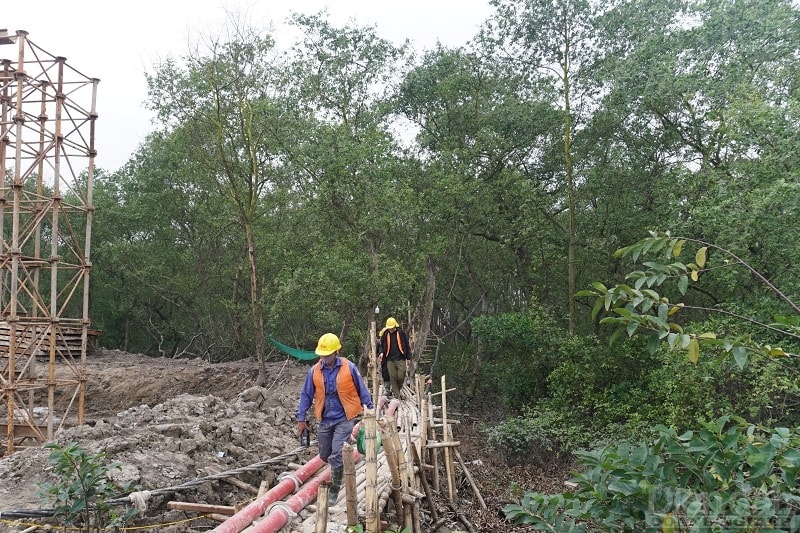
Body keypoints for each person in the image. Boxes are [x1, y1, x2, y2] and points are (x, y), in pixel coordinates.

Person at [296, 333, 373, 506]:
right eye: (322, 355)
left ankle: (334, 490)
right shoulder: (314, 371)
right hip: (325, 418)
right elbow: (306, 395)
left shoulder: (349, 367)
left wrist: (370, 409)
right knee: (325, 454)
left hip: (344, 417)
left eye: (327, 355)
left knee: (337, 453)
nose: (324, 358)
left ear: (336, 352)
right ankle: (342, 463)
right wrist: (301, 418)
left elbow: (362, 390)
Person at [378, 317, 411, 398]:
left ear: (395, 326)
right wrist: (381, 352)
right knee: (392, 377)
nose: (390, 330)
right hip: (389, 359)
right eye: (389, 328)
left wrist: (408, 357)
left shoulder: (401, 333)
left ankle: (396, 390)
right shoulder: (385, 334)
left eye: (392, 328)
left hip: (401, 358)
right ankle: (396, 396)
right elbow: (381, 345)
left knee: (401, 376)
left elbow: (407, 345)